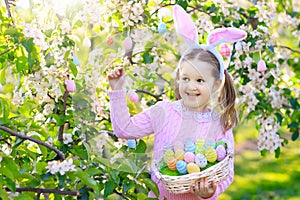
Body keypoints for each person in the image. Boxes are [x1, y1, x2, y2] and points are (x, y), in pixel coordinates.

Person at [107, 5, 247, 200]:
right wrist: (117, 90)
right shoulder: (164, 111)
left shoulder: (219, 122)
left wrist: (211, 190)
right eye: (186, 78)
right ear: (178, 77)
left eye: (200, 80)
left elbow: (227, 171)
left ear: (215, 85)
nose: (191, 86)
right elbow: (125, 130)